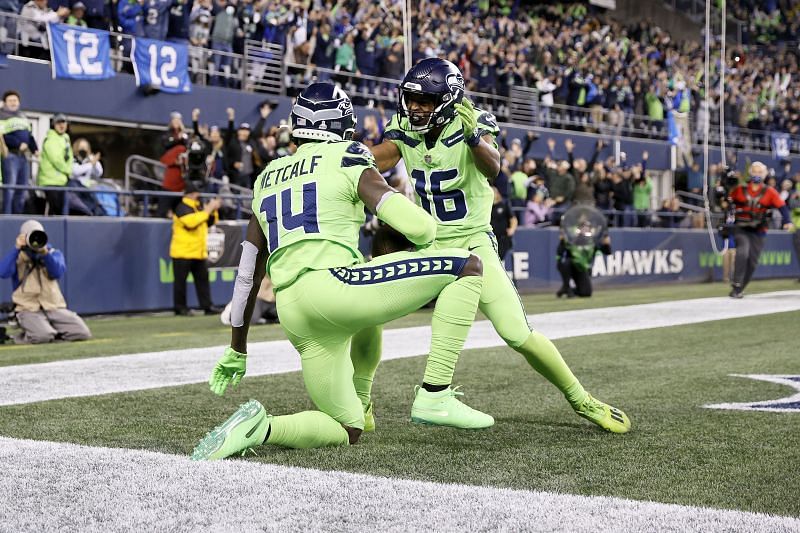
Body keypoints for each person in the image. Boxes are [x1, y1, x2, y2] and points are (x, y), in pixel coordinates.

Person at [191, 82, 486, 460]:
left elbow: (248, 271)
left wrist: (237, 348)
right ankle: (434, 395)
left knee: (347, 429)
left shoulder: (266, 177)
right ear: (343, 126)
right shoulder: (347, 156)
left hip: (294, 313)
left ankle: (261, 427)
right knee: (467, 265)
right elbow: (420, 228)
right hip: (336, 289)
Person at [364, 58, 630, 433]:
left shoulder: (473, 123)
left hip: (473, 243)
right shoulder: (405, 127)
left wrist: (473, 136)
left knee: (517, 333)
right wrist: (337, 153)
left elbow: (493, 168)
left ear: (450, 100)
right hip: (428, 242)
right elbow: (380, 156)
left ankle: (581, 399)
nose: (415, 107)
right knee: (368, 308)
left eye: (425, 100)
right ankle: (362, 404)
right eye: (411, 99)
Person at [0, 219, 91, 344]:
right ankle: (16, 339)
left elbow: (57, 272)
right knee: (42, 336)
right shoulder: (17, 257)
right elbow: (3, 272)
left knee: (82, 333)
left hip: (53, 306)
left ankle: (51, 334)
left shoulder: (53, 253)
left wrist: (45, 254)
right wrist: (16, 248)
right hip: (28, 308)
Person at [727, 161, 794, 298]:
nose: (757, 174)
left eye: (760, 172)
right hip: (741, 228)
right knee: (742, 252)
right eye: (754, 171)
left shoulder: (769, 191)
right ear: (750, 173)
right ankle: (736, 284)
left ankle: (741, 287)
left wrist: (788, 222)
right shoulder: (740, 189)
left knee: (752, 261)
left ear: (764, 175)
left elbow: (782, 207)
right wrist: (725, 189)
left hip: (759, 230)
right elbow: (727, 201)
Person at [169, 181, 223, 315]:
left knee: (203, 281)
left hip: (198, 252)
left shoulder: (198, 207)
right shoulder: (181, 207)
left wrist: (214, 210)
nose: (197, 196)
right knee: (180, 282)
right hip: (182, 252)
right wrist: (208, 210)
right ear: (191, 194)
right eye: (195, 194)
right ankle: (180, 308)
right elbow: (191, 223)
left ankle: (207, 306)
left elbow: (210, 222)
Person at [38, 114, 92, 216]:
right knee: (56, 209)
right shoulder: (50, 139)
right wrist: (69, 170)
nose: (61, 125)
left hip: (62, 181)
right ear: (54, 125)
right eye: (58, 123)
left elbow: (69, 157)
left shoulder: (65, 139)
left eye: (63, 122)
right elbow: (57, 160)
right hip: (50, 181)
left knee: (63, 209)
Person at [1, 90, 38, 214]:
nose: (13, 103)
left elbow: (29, 136)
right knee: (10, 188)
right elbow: (3, 136)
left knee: (22, 190)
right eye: (10, 101)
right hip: (11, 156)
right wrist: (17, 144)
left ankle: (18, 216)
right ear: (4, 103)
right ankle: (7, 216)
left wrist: (35, 149)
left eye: (15, 100)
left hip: (23, 157)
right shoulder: (1, 116)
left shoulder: (23, 117)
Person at [556, 225, 611, 298]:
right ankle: (566, 287)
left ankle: (567, 290)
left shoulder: (593, 242)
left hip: (582, 268)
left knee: (586, 292)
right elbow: (560, 253)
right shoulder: (572, 240)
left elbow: (607, 252)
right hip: (571, 267)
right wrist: (562, 242)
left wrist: (607, 244)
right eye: (583, 228)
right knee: (566, 263)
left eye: (587, 228)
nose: (585, 230)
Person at [489, 185, 517, 263]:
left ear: (497, 193)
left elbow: (513, 219)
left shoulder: (504, 204)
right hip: (490, 237)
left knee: (500, 259)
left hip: (502, 237)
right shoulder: (487, 206)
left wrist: (512, 229)